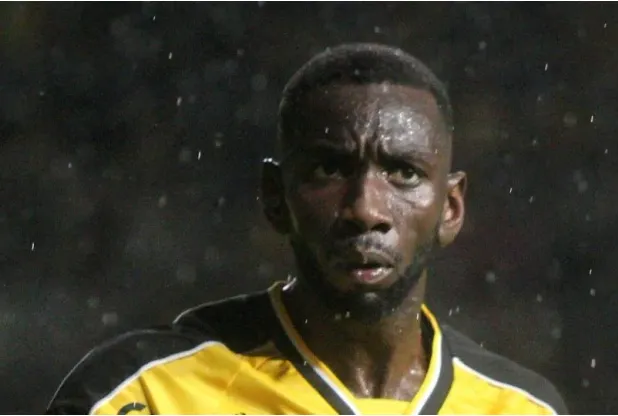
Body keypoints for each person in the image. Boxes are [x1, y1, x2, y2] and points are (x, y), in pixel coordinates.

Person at [46, 43, 568, 415]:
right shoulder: (145, 395)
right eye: (329, 169)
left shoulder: (522, 408)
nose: (366, 209)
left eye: (404, 173)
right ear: (275, 198)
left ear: (451, 208)